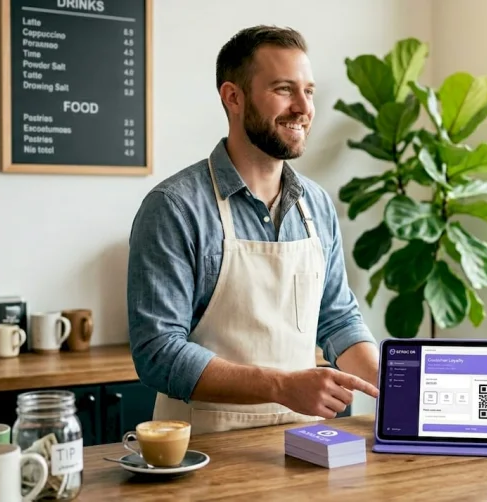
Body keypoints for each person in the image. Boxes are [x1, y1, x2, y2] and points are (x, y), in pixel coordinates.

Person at [126, 25, 380, 435]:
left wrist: (393, 384)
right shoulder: (174, 208)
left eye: (309, 91)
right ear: (233, 97)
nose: (303, 107)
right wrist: (281, 386)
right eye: (284, 89)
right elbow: (157, 352)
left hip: (306, 443)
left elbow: (336, 318)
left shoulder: (316, 205)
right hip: (204, 454)